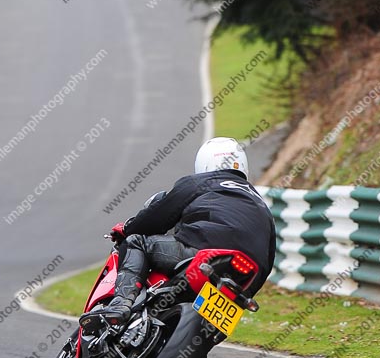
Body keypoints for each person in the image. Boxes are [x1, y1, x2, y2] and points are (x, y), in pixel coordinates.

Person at [81, 137, 276, 327]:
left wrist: (127, 228)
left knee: (136, 241)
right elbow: (269, 257)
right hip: (246, 274)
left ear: (204, 164)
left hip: (204, 252)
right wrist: (248, 292)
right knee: (208, 333)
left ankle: (121, 304)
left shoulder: (198, 182)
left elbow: (157, 217)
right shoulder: (262, 204)